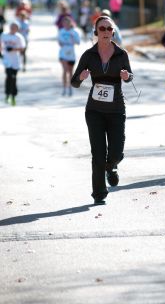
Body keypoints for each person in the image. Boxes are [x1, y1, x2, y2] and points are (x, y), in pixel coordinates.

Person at [71, 15, 133, 205]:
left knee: (116, 151)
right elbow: (74, 82)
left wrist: (126, 76)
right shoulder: (89, 55)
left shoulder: (121, 54)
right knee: (97, 153)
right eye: (102, 29)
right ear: (96, 32)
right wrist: (81, 77)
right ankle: (99, 193)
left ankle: (111, 166)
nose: (106, 32)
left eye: (109, 28)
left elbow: (130, 76)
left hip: (116, 109)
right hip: (95, 111)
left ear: (113, 32)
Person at [0, 21, 26, 105]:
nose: (13, 29)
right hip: (7, 60)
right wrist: (1, 53)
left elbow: (22, 48)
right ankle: (7, 94)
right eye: (12, 27)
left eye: (15, 27)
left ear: (17, 29)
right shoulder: (4, 35)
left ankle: (13, 96)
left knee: (14, 77)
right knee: (9, 76)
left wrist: (13, 49)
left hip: (15, 60)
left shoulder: (19, 37)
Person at [58, 16, 80, 96]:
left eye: (67, 22)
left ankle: (70, 88)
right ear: (63, 23)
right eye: (64, 22)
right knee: (65, 70)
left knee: (70, 72)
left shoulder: (74, 32)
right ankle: (64, 88)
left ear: (70, 23)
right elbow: (59, 43)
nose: (66, 24)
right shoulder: (61, 31)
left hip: (71, 54)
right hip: (63, 53)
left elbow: (78, 42)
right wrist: (64, 42)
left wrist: (72, 38)